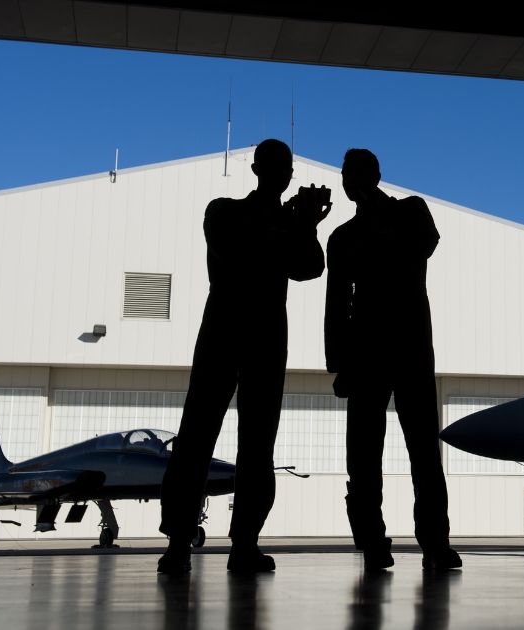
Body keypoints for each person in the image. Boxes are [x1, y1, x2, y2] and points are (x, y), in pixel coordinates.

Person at [158, 139, 331, 574]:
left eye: (285, 167)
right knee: (199, 436)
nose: (281, 174)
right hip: (227, 334)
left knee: (256, 443)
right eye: (276, 166)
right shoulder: (224, 210)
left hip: (261, 339)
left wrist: (306, 224)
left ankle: (242, 543)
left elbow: (311, 266)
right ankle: (181, 542)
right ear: (257, 169)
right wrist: (291, 224)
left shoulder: (285, 223)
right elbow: (237, 247)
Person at [325, 148, 461, 571]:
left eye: (357, 174)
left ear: (377, 176)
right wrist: (338, 364)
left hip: (411, 351)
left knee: (423, 451)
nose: (350, 181)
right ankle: (372, 542)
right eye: (346, 175)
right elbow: (336, 305)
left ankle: (435, 542)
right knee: (362, 456)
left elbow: (424, 246)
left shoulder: (411, 212)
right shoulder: (341, 238)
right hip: (365, 356)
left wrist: (374, 211)